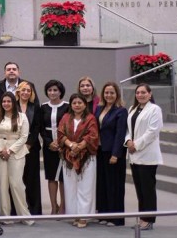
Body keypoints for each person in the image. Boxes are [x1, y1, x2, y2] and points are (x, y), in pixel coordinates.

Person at [0, 93, 33, 225]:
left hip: (16, 152)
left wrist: (10, 150)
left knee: (16, 184)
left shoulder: (22, 117)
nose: (6, 104)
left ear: (14, 103)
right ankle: (5, 217)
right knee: (2, 184)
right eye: (4, 101)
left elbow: (24, 137)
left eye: (9, 101)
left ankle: (25, 216)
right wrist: (0, 150)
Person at [57, 92, 100, 228]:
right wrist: (71, 145)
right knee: (70, 188)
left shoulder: (91, 118)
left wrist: (79, 147)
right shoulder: (66, 117)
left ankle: (84, 217)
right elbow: (60, 134)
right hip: (69, 157)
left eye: (80, 103)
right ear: (71, 105)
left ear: (85, 104)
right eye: (74, 103)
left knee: (85, 188)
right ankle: (74, 215)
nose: (77, 105)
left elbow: (92, 136)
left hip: (86, 158)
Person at [125, 83, 163, 232]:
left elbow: (152, 132)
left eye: (143, 92)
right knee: (140, 189)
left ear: (150, 93)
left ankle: (149, 220)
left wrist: (136, 145)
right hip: (134, 155)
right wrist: (128, 141)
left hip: (147, 155)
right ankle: (142, 218)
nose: (140, 95)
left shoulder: (155, 109)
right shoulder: (132, 109)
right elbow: (128, 129)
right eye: (138, 93)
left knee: (148, 190)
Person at [96, 81, 127, 226]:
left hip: (113, 153)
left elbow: (120, 134)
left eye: (112, 93)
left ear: (117, 94)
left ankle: (116, 218)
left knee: (114, 185)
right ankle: (104, 214)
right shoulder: (100, 108)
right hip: (100, 150)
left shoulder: (121, 110)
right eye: (106, 92)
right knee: (102, 183)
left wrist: (115, 154)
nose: (109, 95)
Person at [39, 79, 69, 215]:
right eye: (50, 90)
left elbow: (69, 126)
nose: (52, 92)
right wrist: (49, 142)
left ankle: (63, 206)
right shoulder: (43, 107)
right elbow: (41, 128)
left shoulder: (67, 106)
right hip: (49, 146)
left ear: (60, 92)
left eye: (55, 90)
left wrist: (61, 142)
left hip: (64, 145)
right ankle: (53, 206)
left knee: (62, 177)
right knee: (51, 176)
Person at [16, 81, 42, 216]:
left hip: (31, 148)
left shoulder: (35, 107)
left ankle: (35, 210)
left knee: (32, 179)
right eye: (23, 90)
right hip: (15, 147)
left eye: (28, 91)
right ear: (18, 92)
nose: (26, 92)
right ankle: (17, 210)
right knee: (17, 179)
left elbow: (37, 127)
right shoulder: (12, 105)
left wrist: (29, 144)